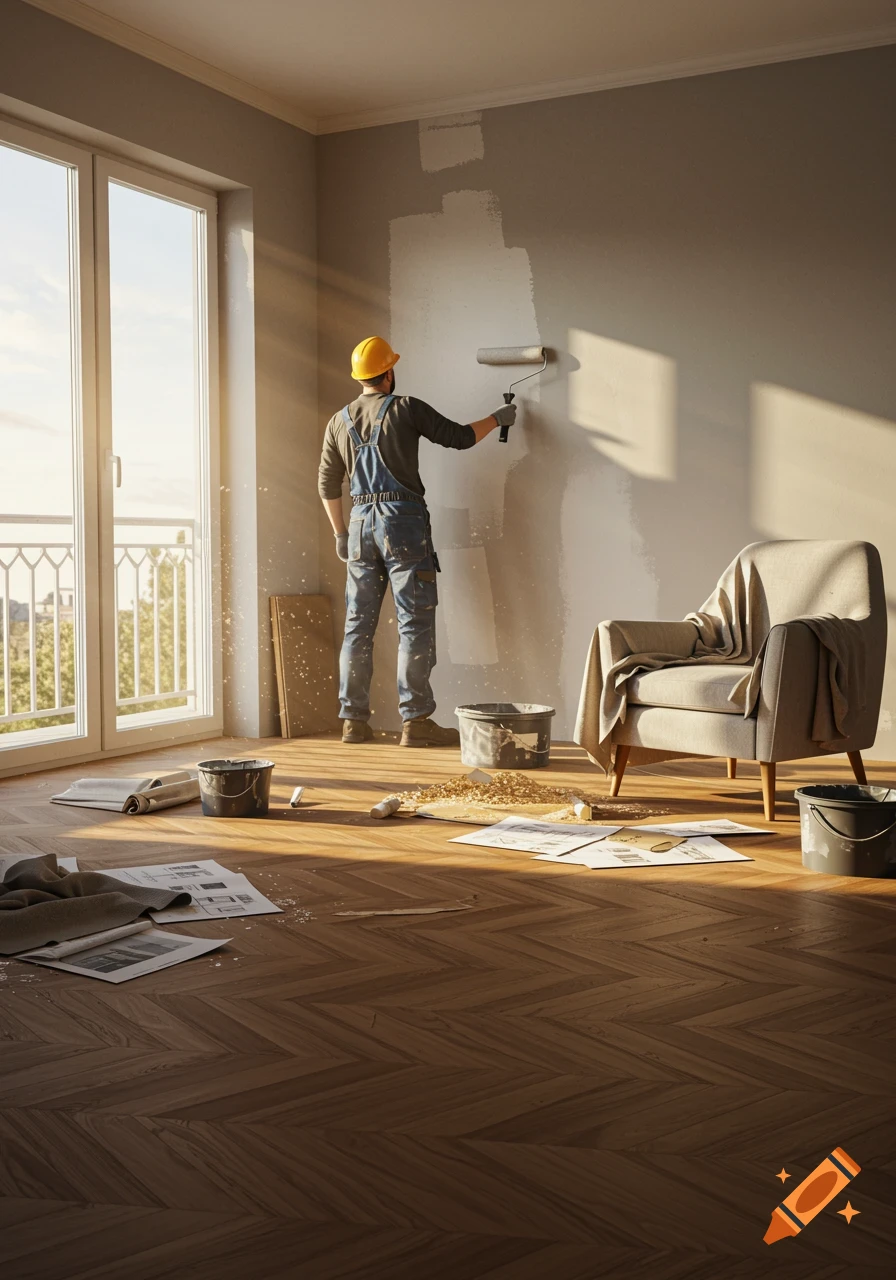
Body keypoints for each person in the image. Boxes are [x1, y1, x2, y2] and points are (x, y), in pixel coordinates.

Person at [318, 336, 517, 746]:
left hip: (359, 525)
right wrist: (499, 418)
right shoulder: (405, 408)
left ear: (360, 377)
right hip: (402, 524)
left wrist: (341, 533)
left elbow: (325, 484)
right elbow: (460, 437)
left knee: (358, 627)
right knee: (413, 626)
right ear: (388, 372)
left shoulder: (338, 421)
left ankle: (353, 721)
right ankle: (416, 722)